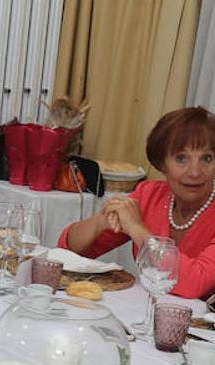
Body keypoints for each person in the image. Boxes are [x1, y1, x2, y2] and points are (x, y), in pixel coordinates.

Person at [60, 107, 215, 300]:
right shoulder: (150, 195)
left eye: (206, 158)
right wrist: (101, 222)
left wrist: (138, 230)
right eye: (181, 158)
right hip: (149, 312)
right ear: (162, 163)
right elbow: (69, 249)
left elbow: (195, 284)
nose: (194, 172)